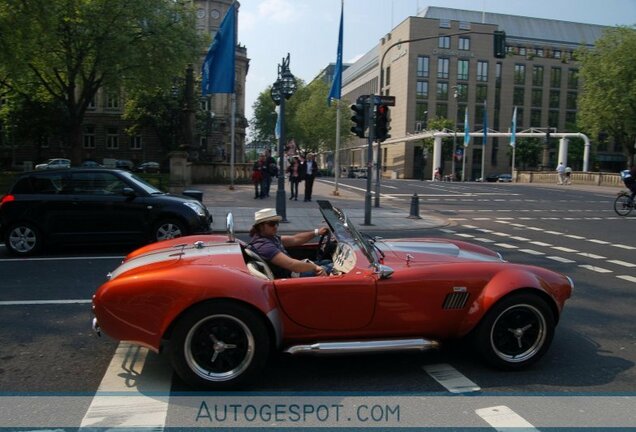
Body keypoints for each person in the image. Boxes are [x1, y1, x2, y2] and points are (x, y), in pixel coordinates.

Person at [247, 208, 331, 278]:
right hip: (293, 276)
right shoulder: (264, 245)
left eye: (276, 223)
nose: (276, 227)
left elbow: (295, 239)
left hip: (295, 271)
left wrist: (317, 232)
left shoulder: (270, 238)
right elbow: (292, 265)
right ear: (261, 226)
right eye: (272, 224)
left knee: (327, 261)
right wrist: (315, 267)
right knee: (333, 267)